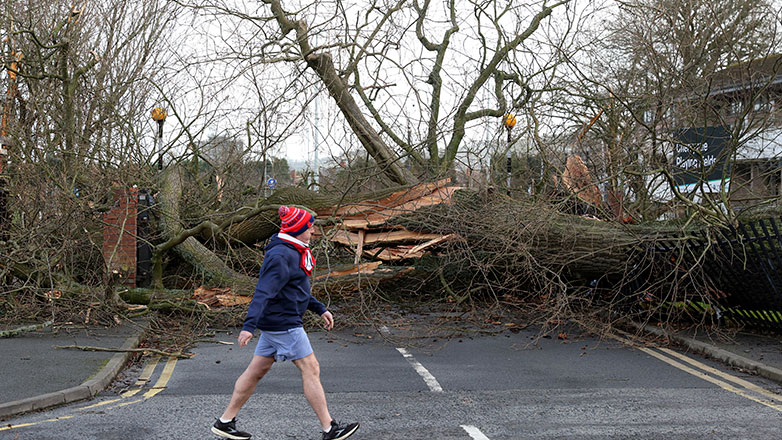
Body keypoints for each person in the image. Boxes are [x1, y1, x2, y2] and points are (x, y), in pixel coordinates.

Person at [211, 206, 360, 440]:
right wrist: (248, 326)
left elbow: (295, 290)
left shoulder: (293, 250)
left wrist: (319, 309)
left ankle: (224, 421)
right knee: (311, 368)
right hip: (284, 323)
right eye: (309, 227)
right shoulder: (282, 255)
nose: (312, 231)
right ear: (298, 229)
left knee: (255, 371)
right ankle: (329, 428)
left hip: (277, 322)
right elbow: (263, 292)